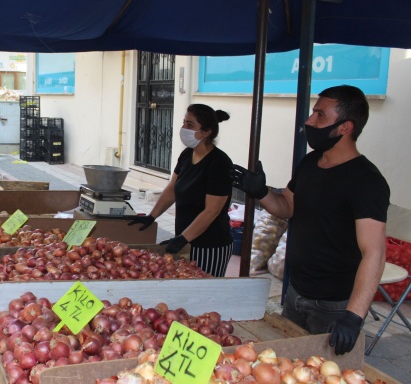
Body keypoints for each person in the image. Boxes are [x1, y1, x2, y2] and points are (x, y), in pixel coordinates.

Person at [230, 85, 390, 355]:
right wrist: (261, 192)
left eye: (320, 115)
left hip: (334, 305)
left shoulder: (367, 181)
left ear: (344, 127)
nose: (309, 121)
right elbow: (286, 208)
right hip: (296, 292)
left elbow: (374, 252)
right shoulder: (309, 163)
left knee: (324, 370)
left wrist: (354, 315)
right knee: (288, 363)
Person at [129, 104, 234, 277]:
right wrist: (151, 216)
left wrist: (184, 238)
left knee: (203, 293)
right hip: (184, 239)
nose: (183, 128)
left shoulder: (219, 163)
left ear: (206, 132)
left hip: (210, 244)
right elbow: (172, 189)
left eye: (190, 125)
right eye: (184, 123)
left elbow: (212, 211)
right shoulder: (187, 155)